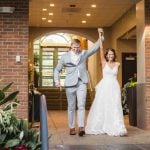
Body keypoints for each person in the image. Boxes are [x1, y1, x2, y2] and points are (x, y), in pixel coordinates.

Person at [54, 28, 104, 136]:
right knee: (71, 107)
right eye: (74, 47)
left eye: (78, 47)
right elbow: (57, 69)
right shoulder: (64, 57)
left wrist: (101, 35)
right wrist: (56, 80)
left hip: (82, 83)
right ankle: (71, 127)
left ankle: (81, 127)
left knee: (81, 105)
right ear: (71, 46)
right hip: (69, 84)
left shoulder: (84, 53)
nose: (77, 49)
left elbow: (95, 47)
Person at [85, 29, 127, 136]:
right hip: (105, 86)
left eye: (112, 54)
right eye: (109, 54)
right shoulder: (103, 63)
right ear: (106, 55)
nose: (110, 56)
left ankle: (117, 127)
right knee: (103, 105)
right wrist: (100, 34)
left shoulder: (118, 64)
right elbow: (101, 48)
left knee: (115, 105)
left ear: (114, 55)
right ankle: (102, 125)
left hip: (114, 86)